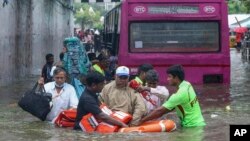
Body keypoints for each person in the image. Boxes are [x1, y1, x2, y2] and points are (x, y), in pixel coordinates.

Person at [139, 65, 206, 127]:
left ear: (176, 78)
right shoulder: (187, 84)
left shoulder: (178, 95)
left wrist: (141, 121)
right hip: (199, 122)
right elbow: (170, 108)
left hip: (191, 126)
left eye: (169, 76)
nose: (167, 79)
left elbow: (160, 111)